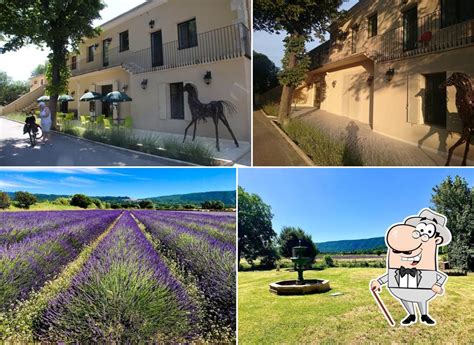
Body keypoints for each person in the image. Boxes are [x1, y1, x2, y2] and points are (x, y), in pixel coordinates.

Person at [370, 208, 452, 326]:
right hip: (402, 288)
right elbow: (391, 275)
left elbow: (441, 276)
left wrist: (437, 285)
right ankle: (411, 314)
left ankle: (424, 315)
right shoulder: (404, 252)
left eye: (427, 233)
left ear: (436, 239)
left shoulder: (427, 257)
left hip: (423, 289)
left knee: (421, 297)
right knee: (405, 297)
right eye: (419, 231)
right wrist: (378, 282)